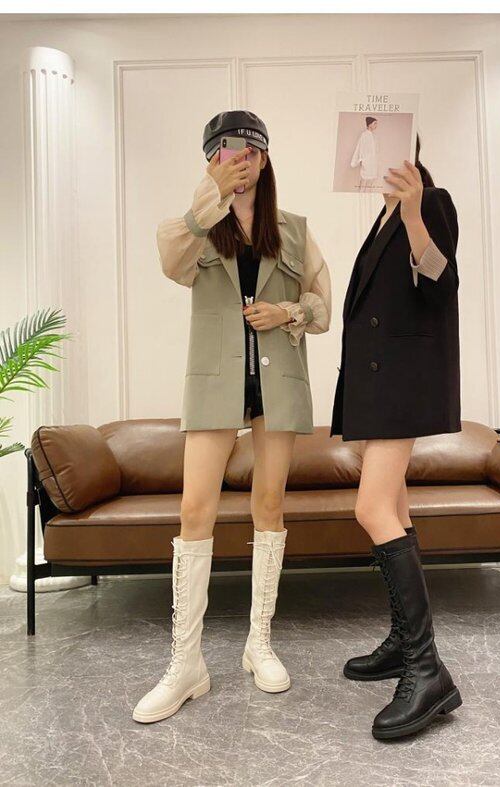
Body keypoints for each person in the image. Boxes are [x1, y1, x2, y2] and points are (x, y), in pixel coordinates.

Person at [133, 110, 332, 724]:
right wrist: (209, 200)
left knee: (268, 506)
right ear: (210, 162)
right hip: (215, 384)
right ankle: (185, 662)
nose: (238, 160)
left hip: (278, 386)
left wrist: (288, 313)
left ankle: (258, 643)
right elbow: (169, 260)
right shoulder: (196, 230)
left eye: (248, 150)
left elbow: (324, 307)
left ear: (265, 158)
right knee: (195, 511)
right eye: (223, 152)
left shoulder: (294, 231)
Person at [330, 133, 463, 740]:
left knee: (371, 508)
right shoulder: (381, 218)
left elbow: (441, 283)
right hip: (376, 385)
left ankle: (427, 669)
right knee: (396, 510)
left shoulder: (430, 202)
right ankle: (404, 643)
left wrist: (413, 213)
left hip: (403, 383)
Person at [350, 116, 379, 191]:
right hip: (366, 162)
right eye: (375, 123)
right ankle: (361, 197)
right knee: (363, 183)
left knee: (370, 184)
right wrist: (362, 160)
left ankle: (367, 197)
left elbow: (373, 151)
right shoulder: (364, 135)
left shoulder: (373, 136)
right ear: (369, 124)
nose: (376, 125)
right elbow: (360, 148)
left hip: (372, 162)